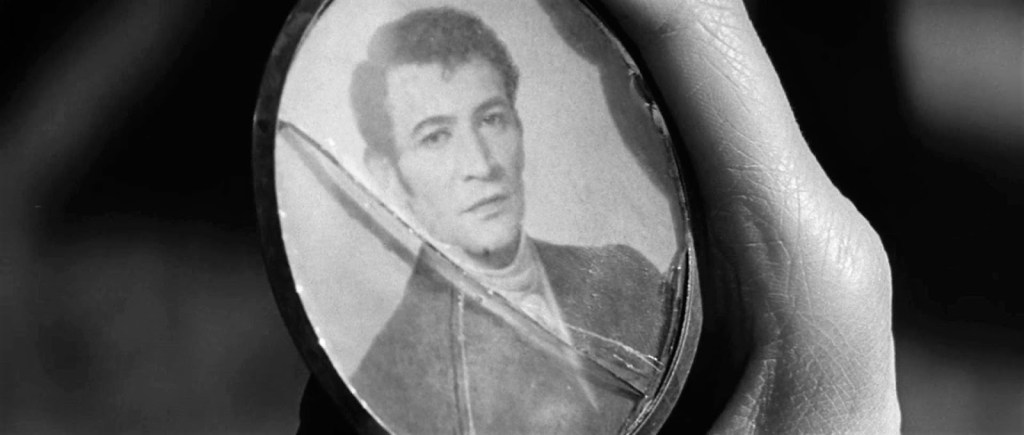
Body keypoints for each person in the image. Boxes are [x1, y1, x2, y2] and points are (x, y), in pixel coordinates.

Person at [299, 0, 901, 433]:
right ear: (385, 174)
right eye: (434, 136)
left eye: (492, 119)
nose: (480, 163)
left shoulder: (628, 281)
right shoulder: (386, 383)